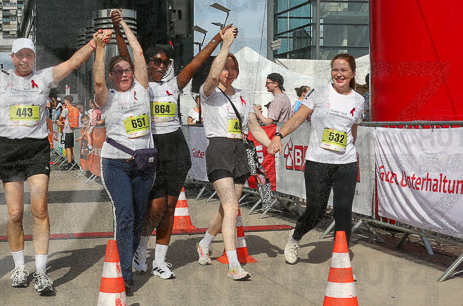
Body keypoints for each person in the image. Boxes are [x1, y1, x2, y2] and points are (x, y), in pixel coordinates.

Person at [0, 23, 101, 294]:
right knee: (15, 213)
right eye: (19, 55)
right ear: (12, 57)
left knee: (40, 210)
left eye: (28, 55)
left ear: (34, 57)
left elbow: (72, 63)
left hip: (36, 149)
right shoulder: (0, 77)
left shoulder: (44, 78)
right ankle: (20, 266)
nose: (24, 59)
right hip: (9, 150)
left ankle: (41, 272)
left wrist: (93, 43)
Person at [135, 28, 233, 279]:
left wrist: (218, 39)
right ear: (146, 63)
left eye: (165, 62)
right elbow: (129, 54)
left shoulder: (174, 84)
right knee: (155, 206)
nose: (161, 66)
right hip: (152, 148)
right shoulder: (140, 85)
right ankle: (140, 246)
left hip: (176, 148)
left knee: (169, 206)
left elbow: (197, 61)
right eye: (156, 61)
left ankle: (160, 260)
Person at [269, 53, 366, 264]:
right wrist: (278, 136)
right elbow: (297, 118)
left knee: (343, 211)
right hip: (318, 162)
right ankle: (295, 237)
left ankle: (342, 262)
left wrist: (347, 151)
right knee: (316, 210)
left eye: (343, 70)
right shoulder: (319, 93)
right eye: (335, 70)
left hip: (346, 163)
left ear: (352, 73)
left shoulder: (359, 100)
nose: (339, 74)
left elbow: (354, 131)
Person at [196, 27, 276, 281]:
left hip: (239, 150)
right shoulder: (208, 93)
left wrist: (270, 142)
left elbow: (252, 126)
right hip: (219, 148)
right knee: (231, 207)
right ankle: (233, 264)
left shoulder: (242, 96)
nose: (228, 73)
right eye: (225, 67)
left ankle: (205, 243)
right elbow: (210, 77)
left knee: (228, 206)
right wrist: (225, 45)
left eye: (233, 69)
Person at [92, 16, 153, 293]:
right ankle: (124, 275)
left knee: (139, 215)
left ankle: (128, 256)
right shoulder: (108, 98)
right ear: (112, 77)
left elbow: (138, 53)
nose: (125, 74)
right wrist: (101, 47)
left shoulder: (142, 89)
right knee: (125, 213)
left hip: (144, 164)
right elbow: (97, 81)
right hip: (116, 164)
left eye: (127, 70)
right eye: (118, 71)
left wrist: (123, 25)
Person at [60, 96, 79, 164]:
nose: (64, 102)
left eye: (65, 101)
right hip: (75, 129)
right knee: (73, 146)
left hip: (68, 130)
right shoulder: (75, 109)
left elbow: (60, 118)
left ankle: (69, 162)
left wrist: (62, 109)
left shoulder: (66, 109)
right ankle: (75, 162)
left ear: (67, 101)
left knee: (68, 147)